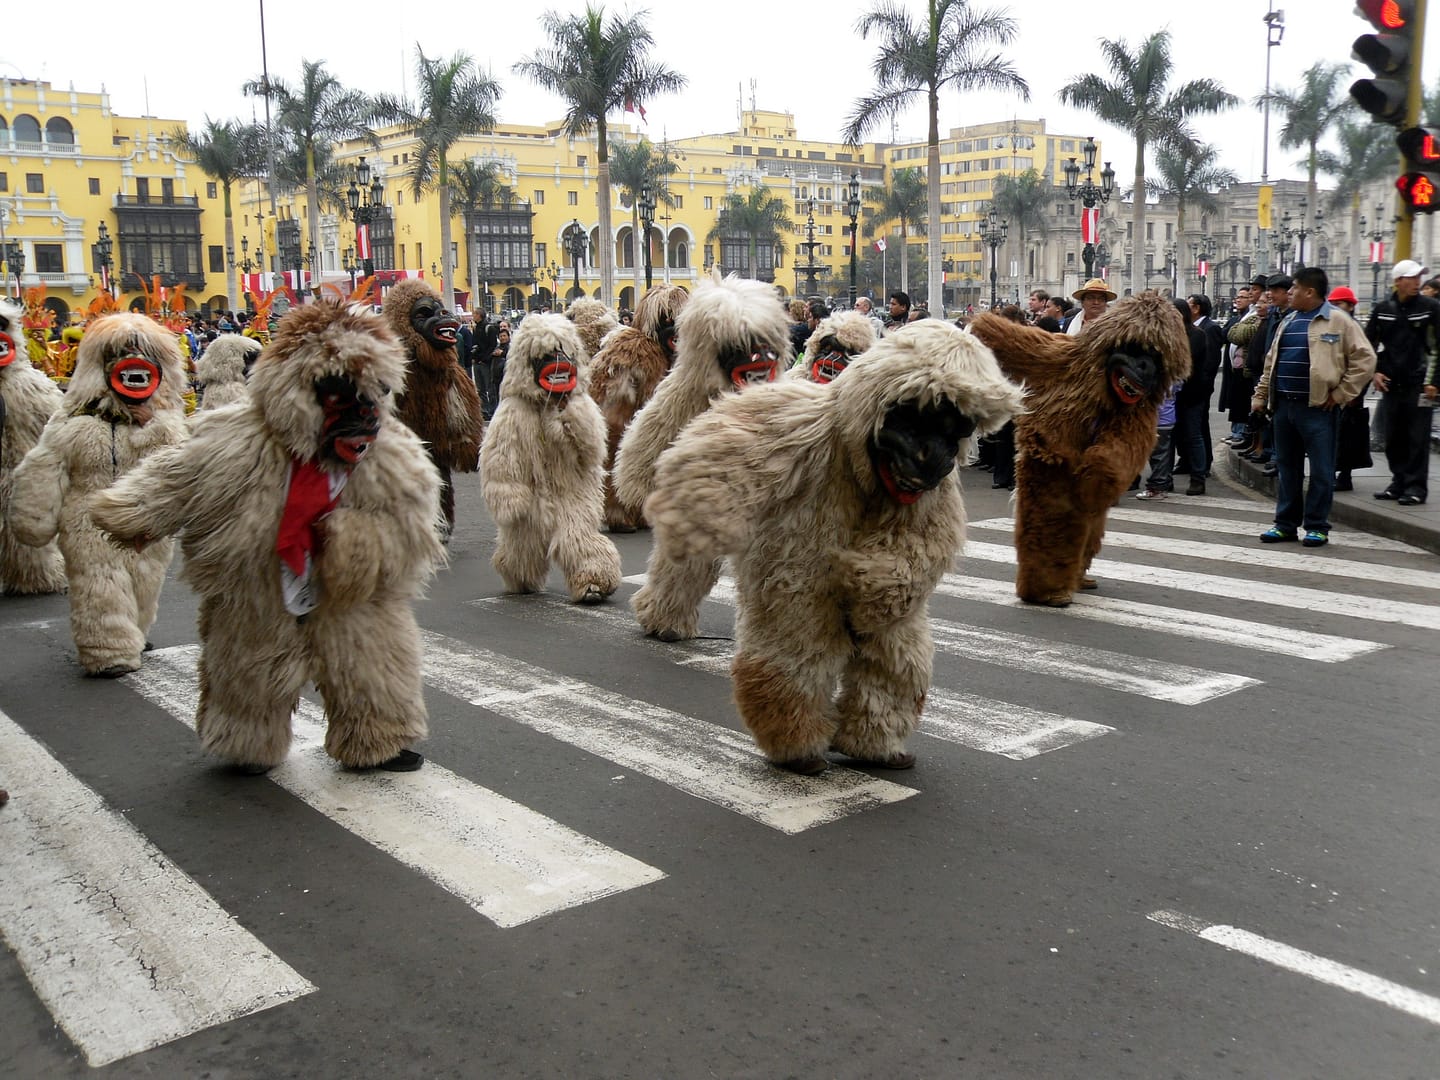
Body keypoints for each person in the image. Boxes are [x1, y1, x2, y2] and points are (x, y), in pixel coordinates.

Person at [1251, 267, 1377, 547]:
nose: (1290, 293)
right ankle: (1285, 524)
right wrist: (1260, 397)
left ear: (1310, 292)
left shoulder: (1338, 321)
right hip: (1284, 406)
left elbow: (1365, 360)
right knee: (1287, 468)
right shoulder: (1289, 320)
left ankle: (1317, 526)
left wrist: (1342, 393)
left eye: (1295, 288)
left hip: (1318, 408)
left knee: (1321, 470)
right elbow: (1271, 363)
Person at [1364, 259, 1440, 506]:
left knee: (1417, 438)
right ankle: (1398, 482)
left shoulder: (1431, 308)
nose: (1417, 282)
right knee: (1393, 437)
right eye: (1412, 277)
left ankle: (1416, 488)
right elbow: (1368, 345)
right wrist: (1375, 371)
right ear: (1398, 281)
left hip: (1421, 385)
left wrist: (1434, 382)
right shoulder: (1383, 309)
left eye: (1419, 277)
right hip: (1390, 385)